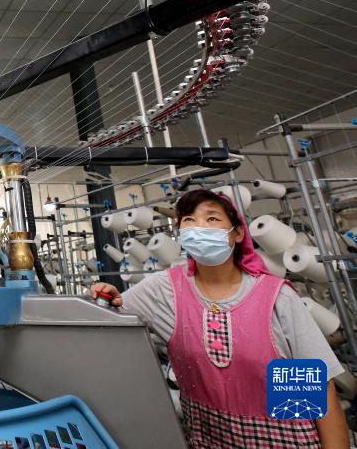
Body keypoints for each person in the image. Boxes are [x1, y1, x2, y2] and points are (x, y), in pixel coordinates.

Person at [90, 188, 350, 448]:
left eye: (212, 218)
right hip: (209, 441)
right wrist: (106, 296)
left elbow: (317, 397)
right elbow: (103, 318)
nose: (199, 226)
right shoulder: (166, 290)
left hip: (283, 440)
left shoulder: (274, 298)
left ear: (238, 233)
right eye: (189, 219)